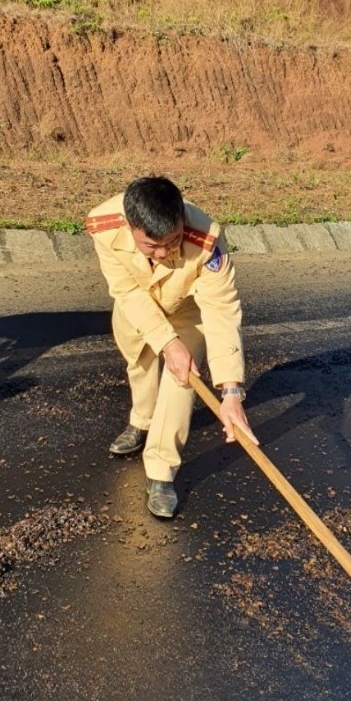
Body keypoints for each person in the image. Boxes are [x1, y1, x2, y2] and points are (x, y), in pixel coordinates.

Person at [87, 175, 258, 518]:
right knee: (139, 362)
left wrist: (231, 392)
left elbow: (222, 310)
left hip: (186, 308)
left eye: (173, 241)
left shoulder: (206, 239)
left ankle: (161, 472)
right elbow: (126, 291)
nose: (164, 253)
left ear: (182, 219)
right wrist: (164, 342)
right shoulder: (103, 226)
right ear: (130, 225)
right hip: (136, 303)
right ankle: (142, 420)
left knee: (182, 379)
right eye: (152, 246)